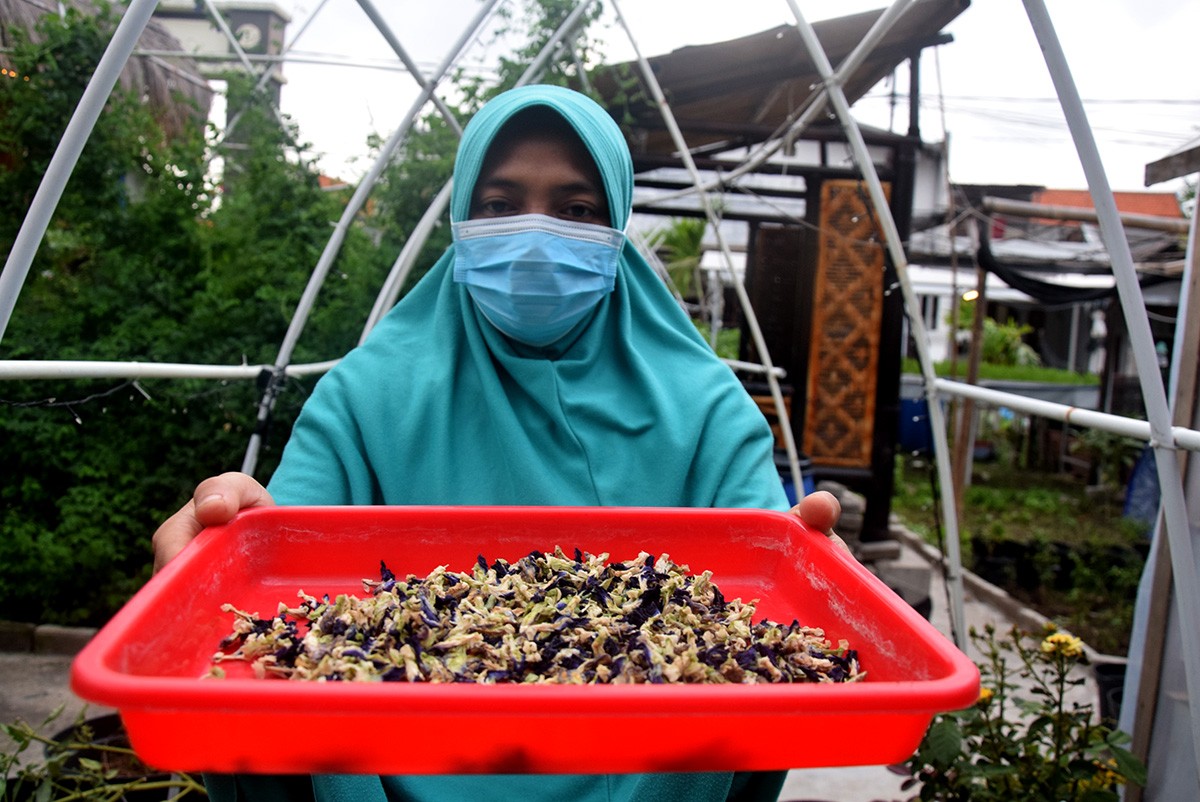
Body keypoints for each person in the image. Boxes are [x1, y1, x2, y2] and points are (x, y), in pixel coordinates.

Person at [153, 84, 842, 802]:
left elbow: (768, 604)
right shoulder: (368, 399)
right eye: (499, 205)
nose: (534, 238)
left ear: (617, 227)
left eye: (576, 210)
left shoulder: (707, 414)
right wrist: (220, 553)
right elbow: (279, 584)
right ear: (460, 217)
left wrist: (821, 588)